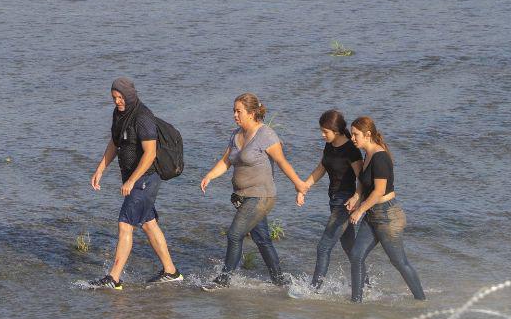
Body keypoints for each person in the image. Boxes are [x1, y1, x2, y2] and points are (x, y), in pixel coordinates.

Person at [199, 93, 302, 288]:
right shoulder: (236, 134)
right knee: (262, 238)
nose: (235, 115)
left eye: (239, 111)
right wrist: (209, 176)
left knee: (234, 235)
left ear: (252, 113)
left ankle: (223, 280)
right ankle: (280, 281)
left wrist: (298, 184)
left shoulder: (266, 135)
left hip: (261, 195)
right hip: (243, 196)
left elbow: (282, 162)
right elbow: (226, 161)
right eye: (234, 111)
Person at [88, 77, 182, 289]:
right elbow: (115, 142)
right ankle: (171, 271)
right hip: (134, 179)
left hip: (146, 178)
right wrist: (100, 169)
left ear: (130, 96)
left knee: (125, 223)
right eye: (114, 97)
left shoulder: (143, 117)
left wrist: (131, 180)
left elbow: (150, 154)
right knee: (148, 223)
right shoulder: (119, 114)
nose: (118, 101)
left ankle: (114, 278)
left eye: (121, 97)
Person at [344, 116, 426, 303]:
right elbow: (364, 183)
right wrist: (356, 197)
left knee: (399, 262)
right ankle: (356, 302)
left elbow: (379, 191)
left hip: (388, 216)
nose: (353, 139)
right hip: (373, 214)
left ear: (368, 134)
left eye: (356, 135)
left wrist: (360, 210)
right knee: (356, 255)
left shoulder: (380, 157)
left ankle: (421, 301)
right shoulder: (368, 154)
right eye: (352, 134)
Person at [297, 109, 367, 290]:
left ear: (335, 131)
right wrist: (304, 187)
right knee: (351, 249)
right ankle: (365, 286)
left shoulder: (351, 150)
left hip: (345, 203)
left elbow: (362, 178)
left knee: (323, 247)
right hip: (334, 200)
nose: (322, 134)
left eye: (325, 131)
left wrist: (356, 198)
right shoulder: (330, 145)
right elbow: (322, 167)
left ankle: (314, 289)